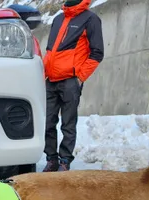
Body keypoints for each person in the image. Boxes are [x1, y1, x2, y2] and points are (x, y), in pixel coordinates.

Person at [42, 0, 103, 172]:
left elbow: (97, 52)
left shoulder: (90, 19)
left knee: (68, 123)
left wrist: (80, 77)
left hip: (71, 81)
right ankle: (51, 159)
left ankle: (65, 161)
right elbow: (50, 52)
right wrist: (44, 74)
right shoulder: (58, 19)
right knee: (47, 123)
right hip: (51, 80)